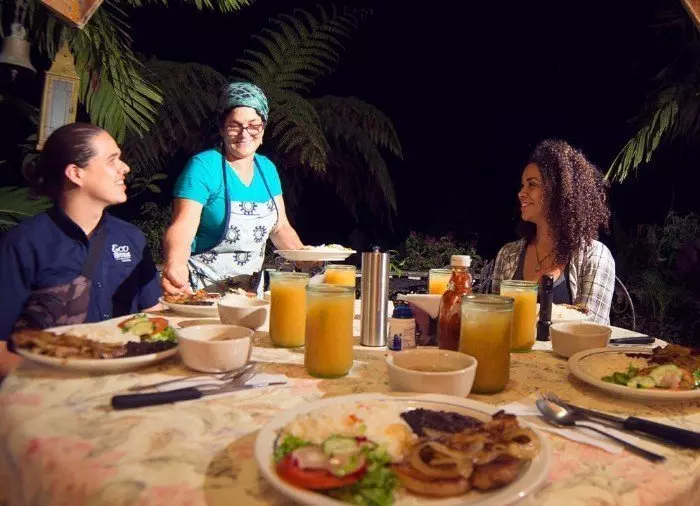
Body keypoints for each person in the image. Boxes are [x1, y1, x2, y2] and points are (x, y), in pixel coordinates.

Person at [0, 123, 162, 375]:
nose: (125, 168)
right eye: (112, 160)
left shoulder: (132, 238)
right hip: (55, 384)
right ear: (76, 173)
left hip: (127, 380)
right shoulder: (23, 243)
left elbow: (153, 317)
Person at [162, 81, 305, 296]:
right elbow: (183, 226)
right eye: (234, 125)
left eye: (253, 125)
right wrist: (175, 264)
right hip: (201, 292)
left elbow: (280, 228)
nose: (244, 134)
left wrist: (307, 259)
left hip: (249, 296)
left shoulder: (267, 169)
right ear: (222, 129)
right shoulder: (204, 166)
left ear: (263, 128)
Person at [492, 139, 615, 323]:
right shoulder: (508, 254)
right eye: (522, 185)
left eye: (532, 184)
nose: (521, 193)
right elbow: (495, 320)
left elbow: (592, 330)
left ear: (559, 191)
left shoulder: (594, 256)